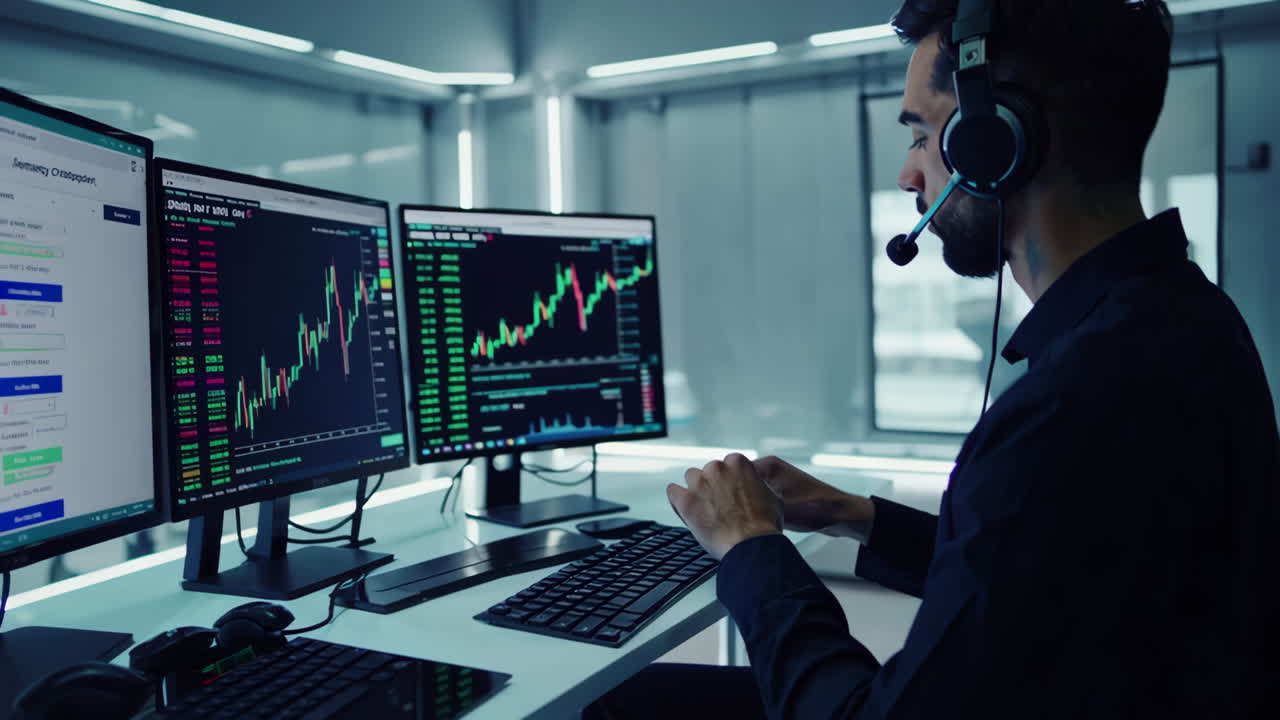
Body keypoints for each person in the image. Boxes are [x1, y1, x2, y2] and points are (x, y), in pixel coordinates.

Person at [584, 0, 1280, 718]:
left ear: (993, 145)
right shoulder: (1182, 316)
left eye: (920, 135)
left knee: (616, 706)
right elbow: (1034, 570)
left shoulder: (1071, 404)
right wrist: (857, 516)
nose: (907, 175)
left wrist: (751, 547)